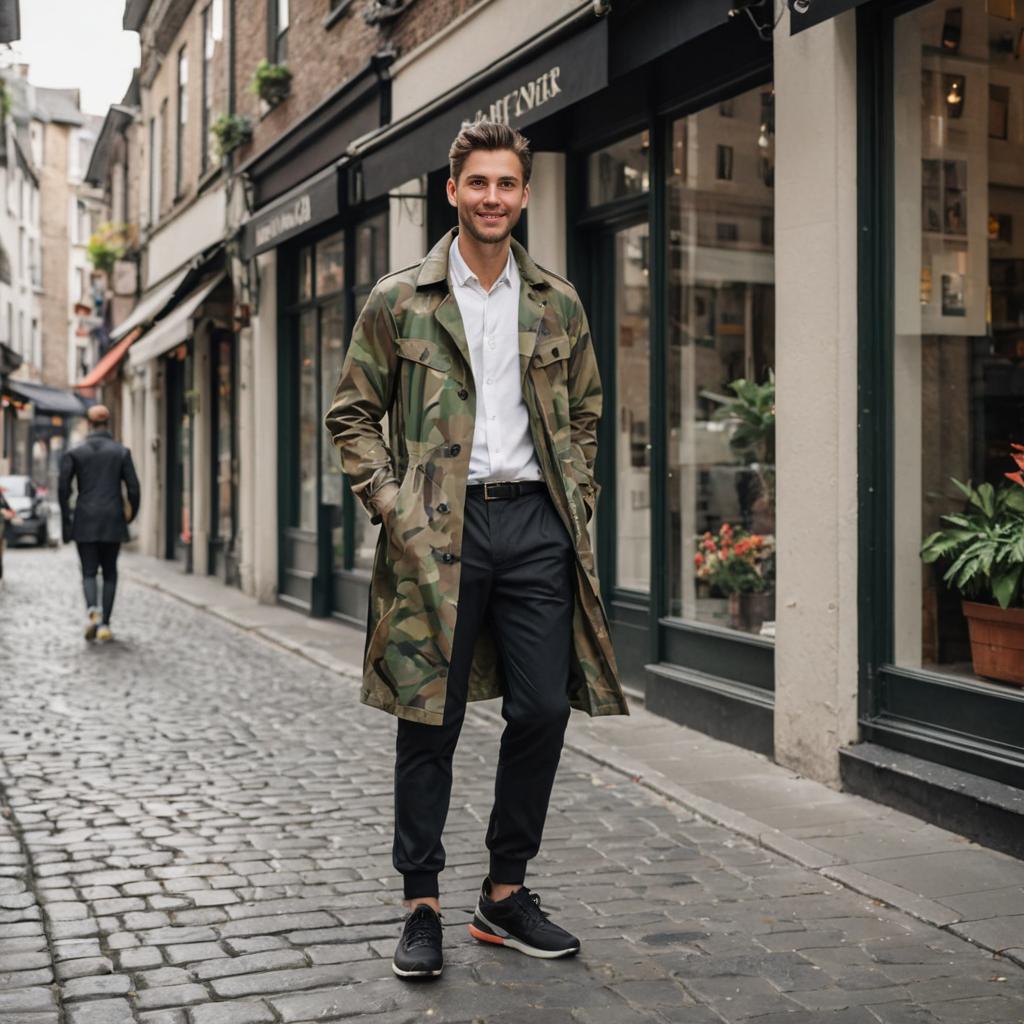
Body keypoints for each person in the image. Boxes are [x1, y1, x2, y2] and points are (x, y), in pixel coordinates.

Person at [325, 120, 626, 980]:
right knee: (432, 715)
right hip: (436, 533)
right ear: (452, 192)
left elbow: (588, 412)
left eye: (507, 184)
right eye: (478, 184)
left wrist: (580, 496)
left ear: (524, 196)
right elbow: (351, 413)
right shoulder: (401, 299)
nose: (493, 197)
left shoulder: (556, 301)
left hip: (534, 526)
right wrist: (395, 505)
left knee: (544, 709)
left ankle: (503, 894)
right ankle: (421, 901)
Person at [59, 404, 140, 642]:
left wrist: (67, 521)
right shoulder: (121, 452)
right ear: (108, 424)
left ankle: (93, 610)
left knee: (88, 571)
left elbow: (63, 489)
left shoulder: (75, 453)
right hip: (113, 519)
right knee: (110, 572)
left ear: (89, 424)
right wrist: (130, 515)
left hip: (85, 519)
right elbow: (134, 488)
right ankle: (105, 624)